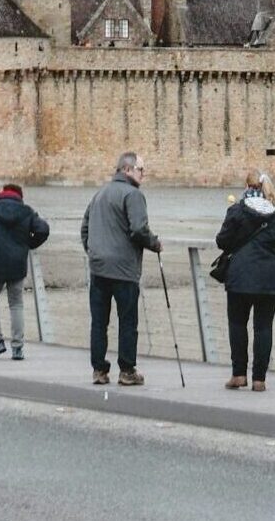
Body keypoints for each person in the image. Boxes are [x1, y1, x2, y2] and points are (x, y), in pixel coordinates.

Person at [80, 151, 161, 386]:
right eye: (140, 169)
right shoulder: (133, 195)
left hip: (98, 268)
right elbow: (138, 229)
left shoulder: (100, 193)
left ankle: (99, 370)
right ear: (127, 170)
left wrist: (93, 252)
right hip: (124, 269)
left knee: (99, 322)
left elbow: (85, 227)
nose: (143, 174)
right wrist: (154, 243)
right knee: (127, 321)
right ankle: (126, 370)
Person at [216, 169, 275, 392]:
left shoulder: (237, 211)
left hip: (241, 276)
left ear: (247, 187)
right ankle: (259, 379)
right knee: (264, 327)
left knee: (238, 324)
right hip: (272, 277)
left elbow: (222, 241)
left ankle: (239, 374)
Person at [0, 182, 49, 360]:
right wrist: (28, 243)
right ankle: (18, 348)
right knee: (16, 304)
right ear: (20, 196)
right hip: (17, 263)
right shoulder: (26, 211)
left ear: (1, 193)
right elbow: (43, 229)